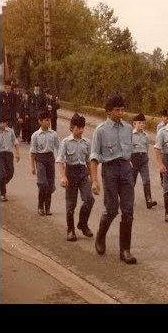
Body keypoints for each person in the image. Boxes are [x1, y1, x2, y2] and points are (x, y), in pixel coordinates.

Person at [89, 94, 137, 264]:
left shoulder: (128, 129)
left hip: (125, 169)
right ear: (108, 112)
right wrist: (94, 180)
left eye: (122, 109)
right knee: (111, 209)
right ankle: (101, 236)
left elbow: (131, 153)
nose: (120, 113)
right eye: (117, 110)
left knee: (128, 210)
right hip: (109, 170)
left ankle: (125, 250)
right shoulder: (100, 130)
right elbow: (94, 157)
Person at [56, 113, 95, 241]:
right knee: (71, 205)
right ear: (72, 128)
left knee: (89, 199)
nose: (81, 130)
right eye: (78, 128)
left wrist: (94, 179)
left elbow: (90, 161)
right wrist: (63, 177)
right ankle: (70, 229)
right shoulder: (66, 142)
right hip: (71, 173)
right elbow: (60, 160)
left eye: (83, 128)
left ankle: (83, 224)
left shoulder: (86, 142)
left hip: (83, 173)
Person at [30, 110, 60, 216]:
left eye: (49, 120)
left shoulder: (54, 134)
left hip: (50, 159)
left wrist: (62, 161)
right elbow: (33, 152)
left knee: (50, 184)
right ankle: (40, 206)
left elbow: (59, 148)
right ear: (40, 121)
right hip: (40, 160)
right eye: (46, 120)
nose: (48, 122)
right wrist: (32, 167)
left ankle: (47, 208)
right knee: (43, 184)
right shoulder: (35, 135)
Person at [131, 113, 158, 209]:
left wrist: (145, 157)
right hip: (133, 159)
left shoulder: (146, 136)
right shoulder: (131, 135)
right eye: (139, 123)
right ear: (134, 124)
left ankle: (149, 200)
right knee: (131, 181)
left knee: (146, 180)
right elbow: (128, 148)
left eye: (143, 123)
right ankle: (128, 199)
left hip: (143, 159)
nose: (142, 125)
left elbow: (146, 148)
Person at [0, 115, 20, 202]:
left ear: (6, 123)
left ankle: (1, 184)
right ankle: (3, 194)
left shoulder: (10, 131)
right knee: (2, 174)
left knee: (10, 173)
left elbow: (15, 142)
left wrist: (17, 153)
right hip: (0, 154)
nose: (2, 125)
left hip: (8, 154)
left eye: (3, 123)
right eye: (0, 123)